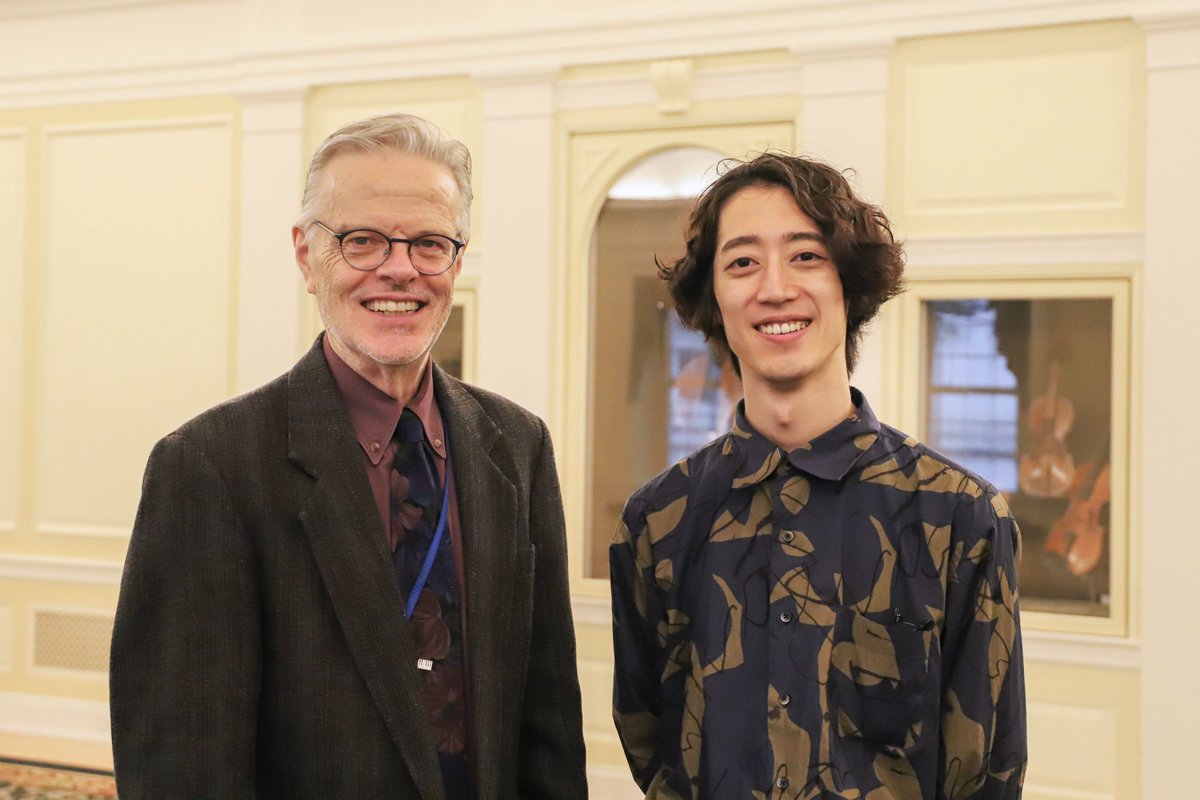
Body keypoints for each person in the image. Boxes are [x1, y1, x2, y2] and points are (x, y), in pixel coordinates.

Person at [110, 113, 588, 799]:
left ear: (456, 260)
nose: (399, 269)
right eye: (362, 240)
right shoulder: (209, 468)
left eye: (429, 243)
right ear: (307, 256)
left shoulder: (517, 446)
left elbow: (548, 727)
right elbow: (184, 768)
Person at [610, 152, 1026, 799]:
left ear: (848, 285)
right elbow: (650, 745)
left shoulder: (962, 518)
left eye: (806, 255)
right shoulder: (658, 521)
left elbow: (986, 775)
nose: (774, 287)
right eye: (742, 262)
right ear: (713, 297)